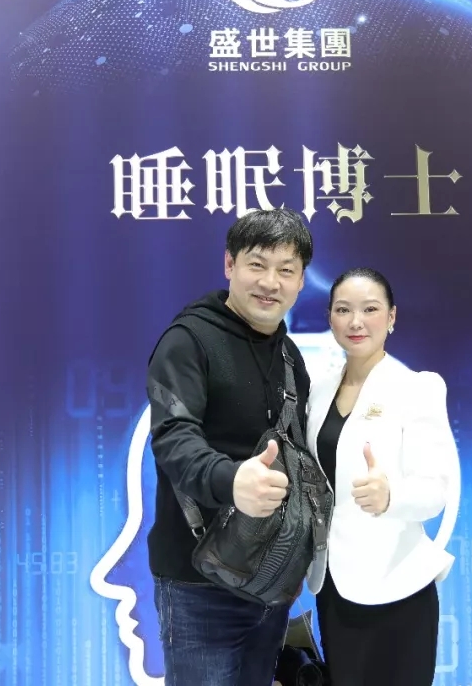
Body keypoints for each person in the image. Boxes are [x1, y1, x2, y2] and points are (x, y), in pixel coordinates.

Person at [145, 209, 314, 686]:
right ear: (229, 264)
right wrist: (232, 480)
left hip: (271, 581)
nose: (270, 282)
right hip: (197, 585)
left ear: (301, 280)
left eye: (286, 270)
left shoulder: (289, 357)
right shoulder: (188, 341)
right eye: (257, 264)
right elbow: (173, 438)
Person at [306, 267, 459, 686]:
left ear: (391, 317)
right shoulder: (318, 390)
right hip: (334, 585)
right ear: (330, 318)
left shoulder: (417, 388)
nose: (356, 321)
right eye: (343, 310)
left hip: (398, 583)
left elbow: (435, 491)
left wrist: (391, 496)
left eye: (370, 309)